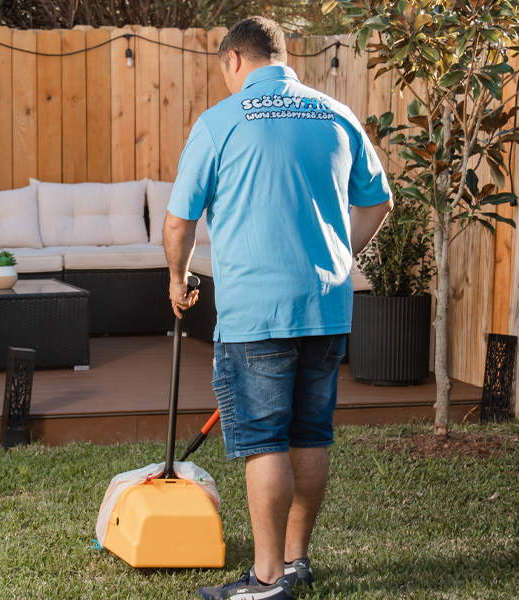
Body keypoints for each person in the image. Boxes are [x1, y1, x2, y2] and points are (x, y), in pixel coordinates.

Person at [162, 16, 393, 600]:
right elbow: (379, 200)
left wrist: (177, 277)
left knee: (265, 440)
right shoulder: (337, 114)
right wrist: (342, 259)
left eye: (224, 71)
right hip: (326, 307)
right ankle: (295, 561)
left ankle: (266, 581)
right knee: (310, 434)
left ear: (234, 61)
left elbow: (178, 220)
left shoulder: (220, 122)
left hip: (255, 315)